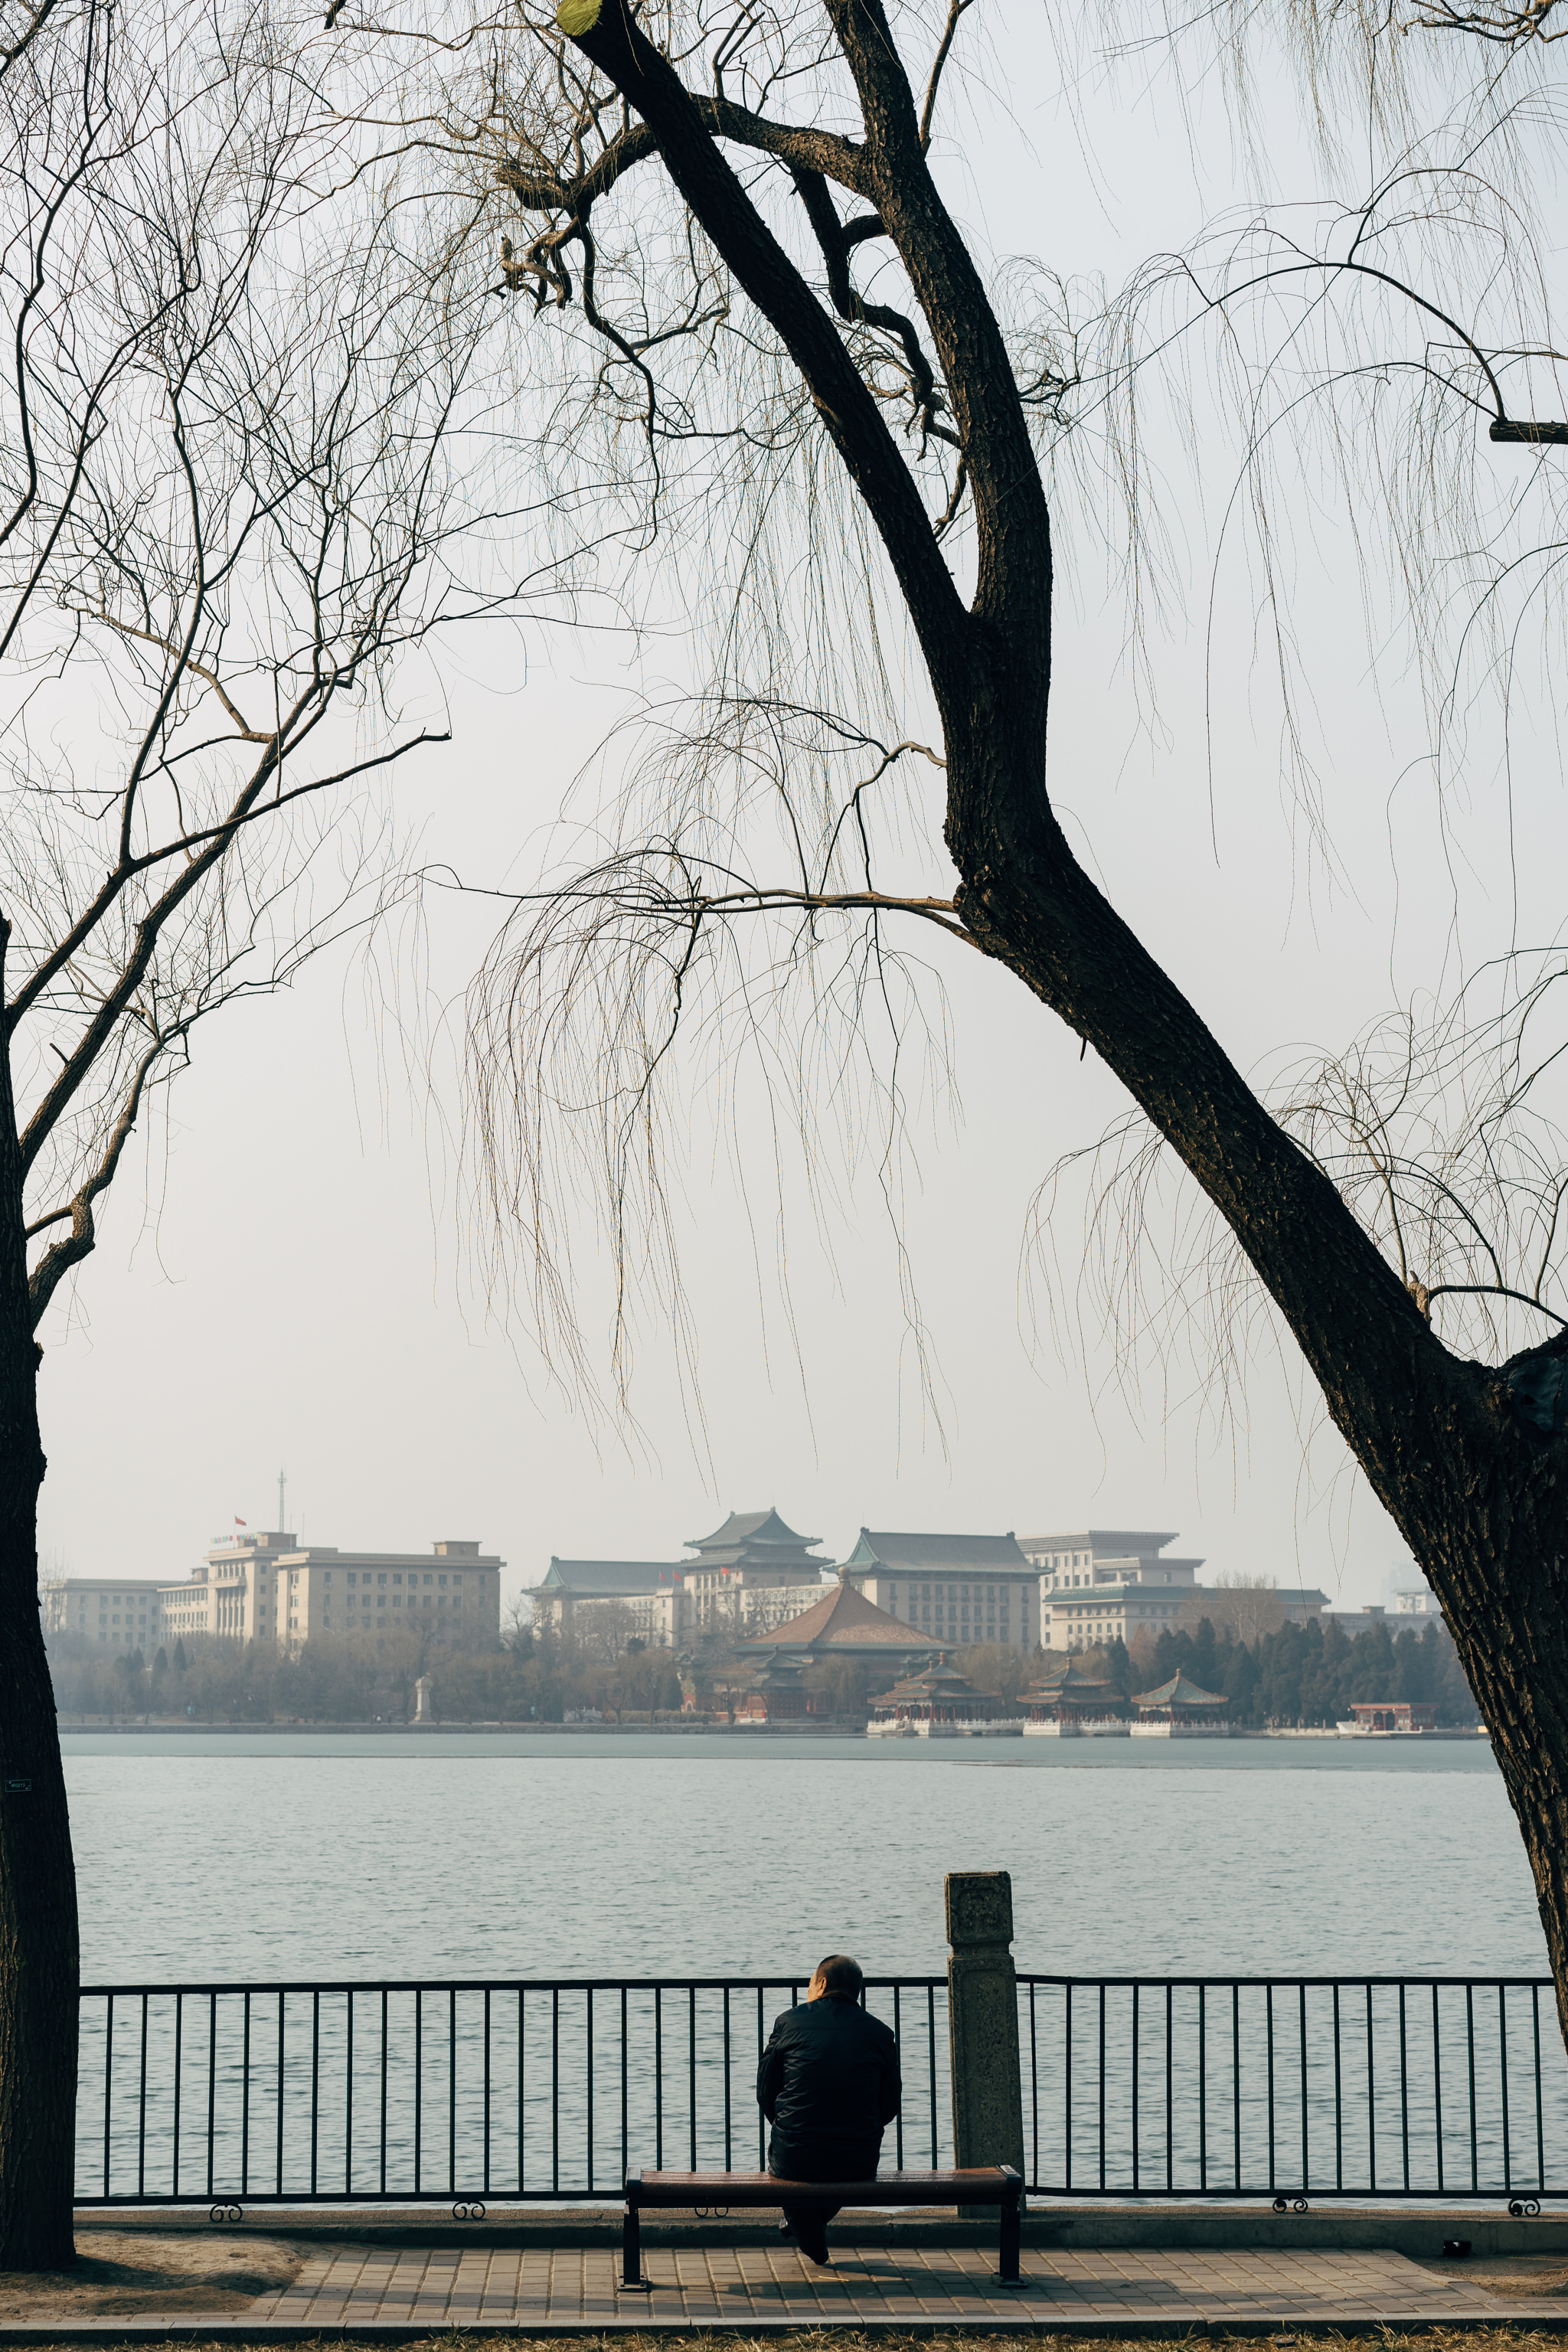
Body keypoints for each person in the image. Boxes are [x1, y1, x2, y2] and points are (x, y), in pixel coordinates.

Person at [756, 1953, 901, 2267]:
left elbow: (765, 2092)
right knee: (841, 2165)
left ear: (821, 1984)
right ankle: (803, 2224)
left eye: (810, 1982)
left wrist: (787, 2123)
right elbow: (890, 2105)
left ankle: (804, 2228)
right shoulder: (880, 2033)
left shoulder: (788, 2022)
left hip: (795, 2153)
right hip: (858, 2158)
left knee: (793, 2167)